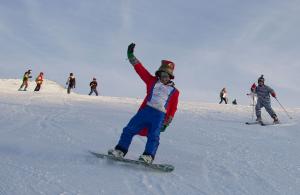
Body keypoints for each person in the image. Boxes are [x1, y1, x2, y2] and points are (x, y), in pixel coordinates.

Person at [108, 43, 180, 164]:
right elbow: (140, 69)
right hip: (145, 111)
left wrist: (167, 123)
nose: (164, 77)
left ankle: (148, 156)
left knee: (154, 135)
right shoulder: (151, 81)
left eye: (167, 75)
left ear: (170, 77)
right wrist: (131, 56)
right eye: (162, 75)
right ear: (159, 74)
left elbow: (173, 108)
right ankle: (120, 150)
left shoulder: (175, 91)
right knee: (129, 129)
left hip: (159, 115)